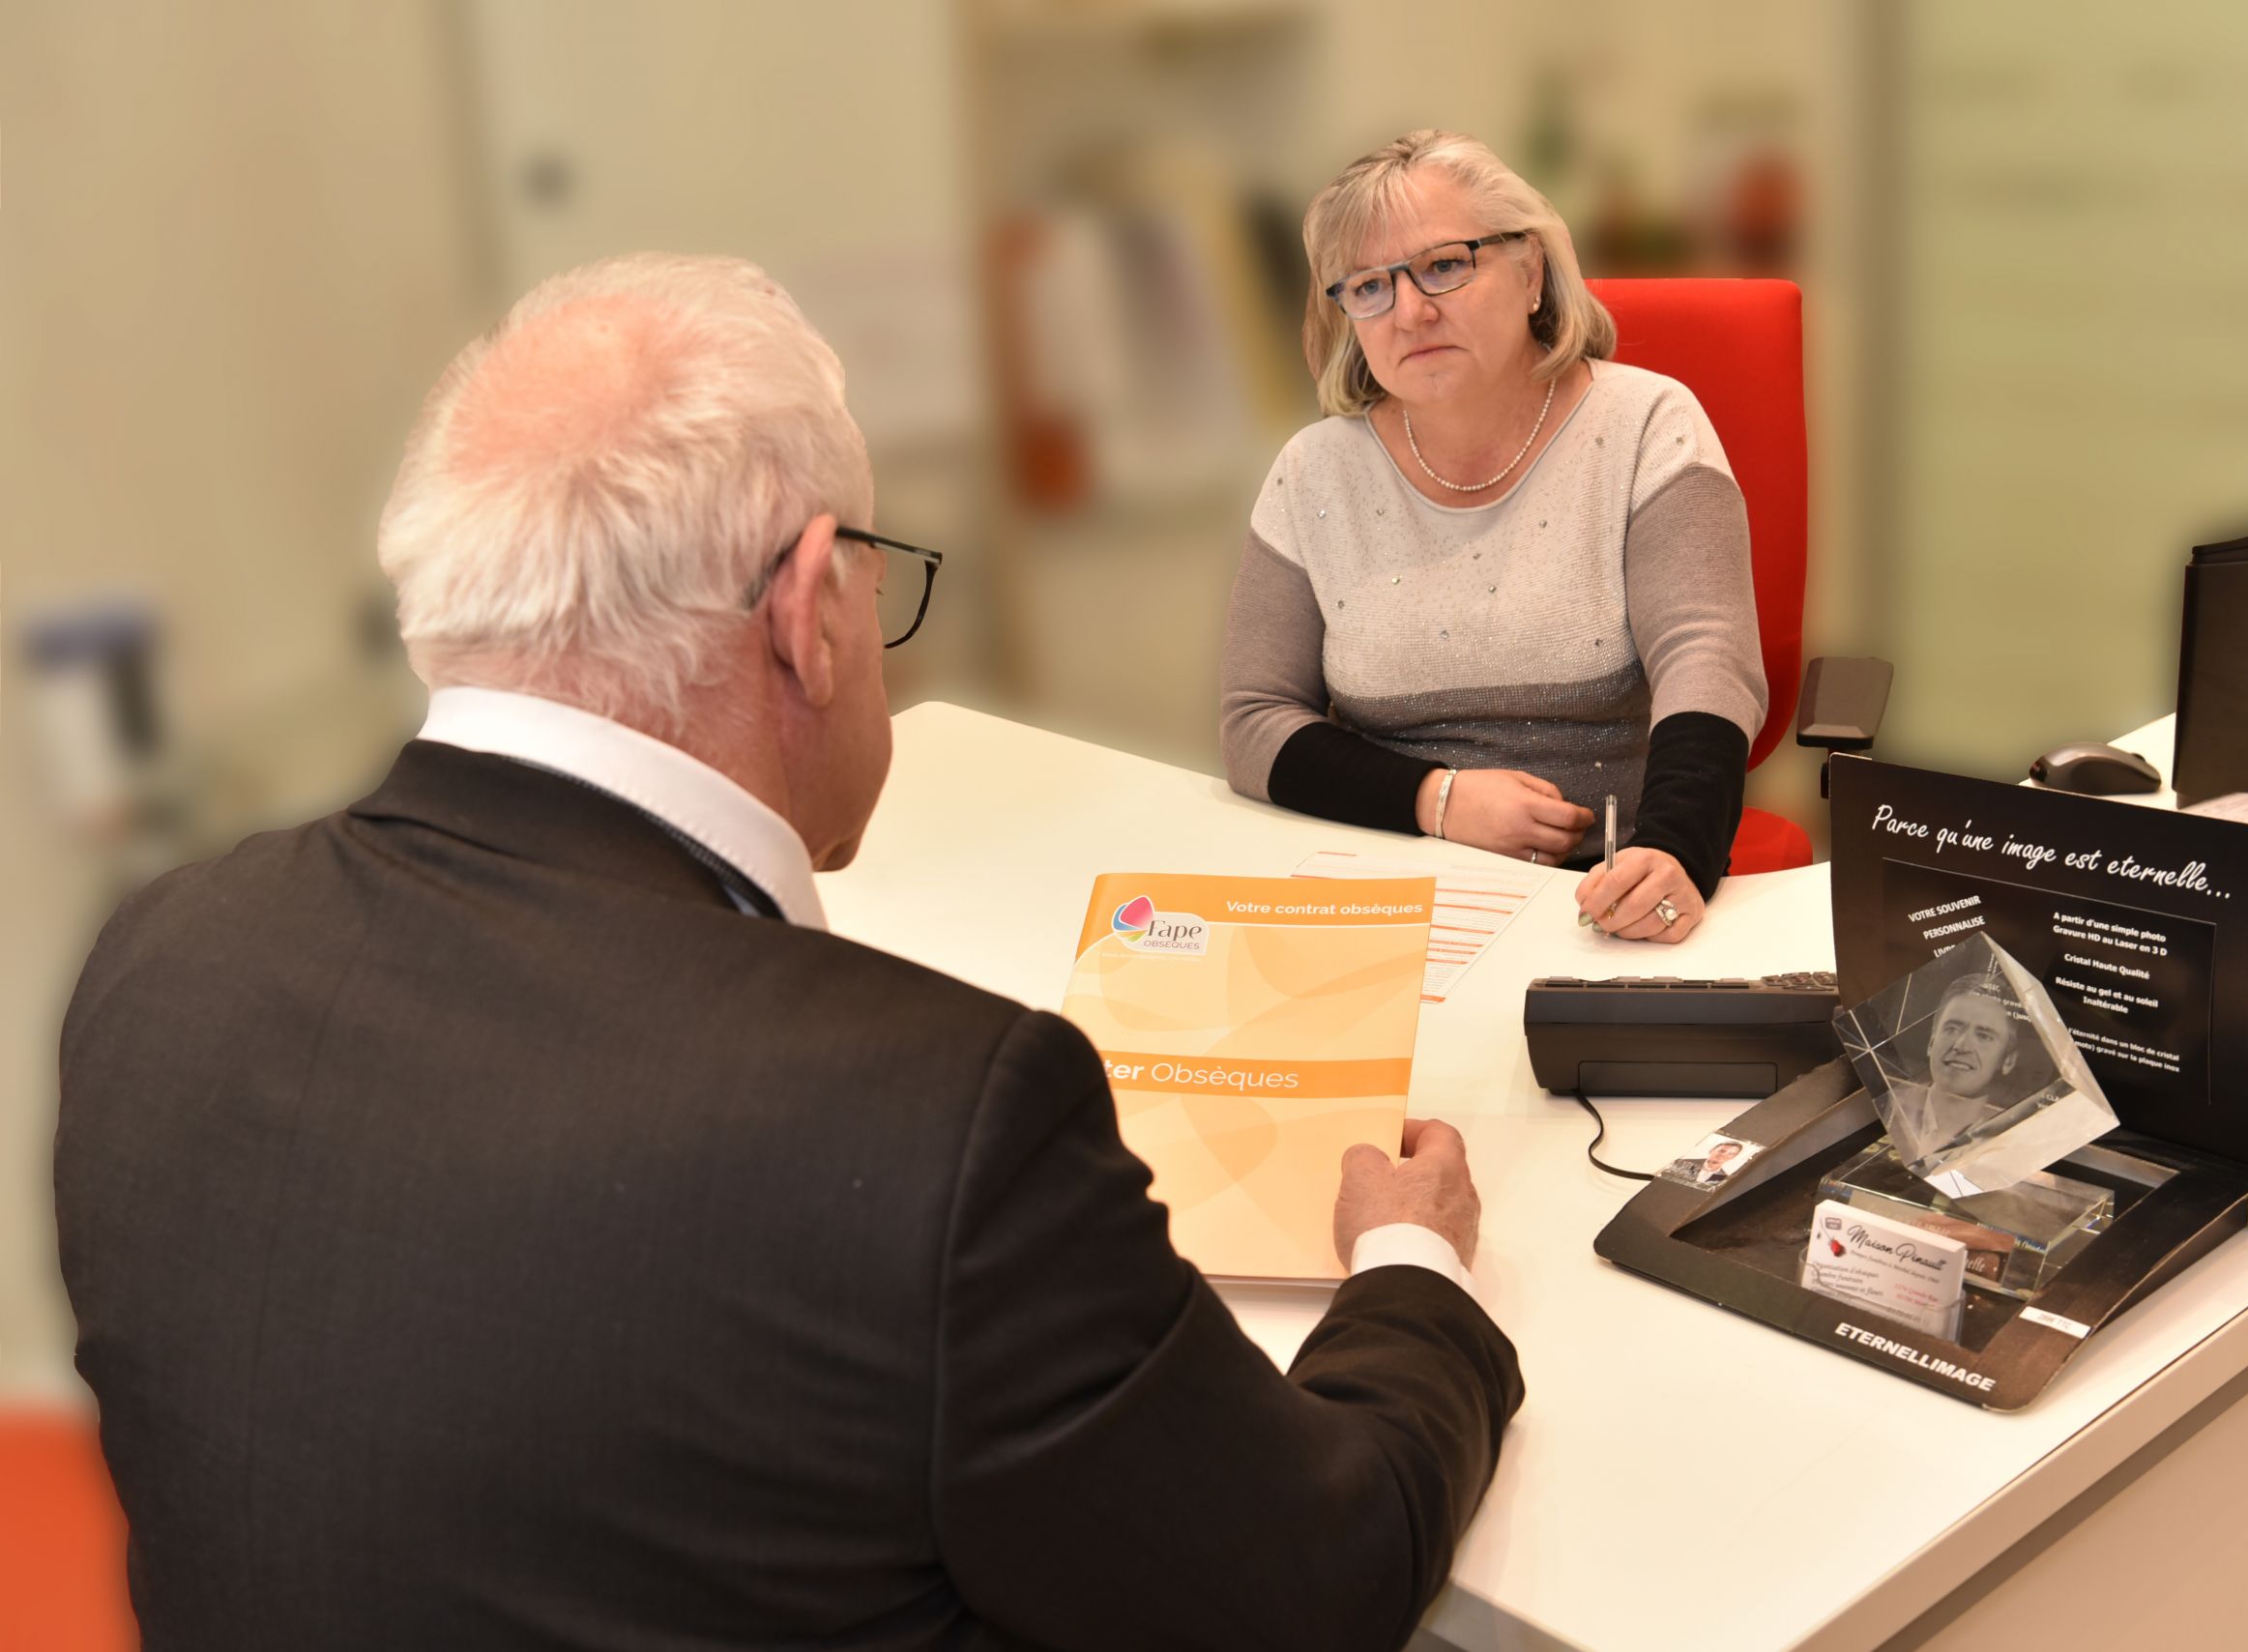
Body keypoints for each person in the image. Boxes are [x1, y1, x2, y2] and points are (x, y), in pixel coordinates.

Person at [54, 253, 1522, 1652]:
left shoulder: (162, 960)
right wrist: (1412, 1262)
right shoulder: (933, 1119)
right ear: (812, 604)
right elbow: (1311, 1585)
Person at [1220, 130, 1768, 944]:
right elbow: (1254, 719)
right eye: (1369, 286)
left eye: (1444, 264)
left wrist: (1675, 846)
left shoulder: (1648, 424)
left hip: (1604, 885)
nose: (1411, 310)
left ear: (1531, 270)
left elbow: (1707, 655)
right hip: (1376, 884)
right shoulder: (1314, 472)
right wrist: (1435, 799)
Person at [1916, 975, 2025, 1145]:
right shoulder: (1890, 1106)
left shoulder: (2016, 1139)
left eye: (1983, 1036)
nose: (1961, 1046)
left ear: (2008, 1060)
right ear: (1932, 1040)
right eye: (1952, 1029)